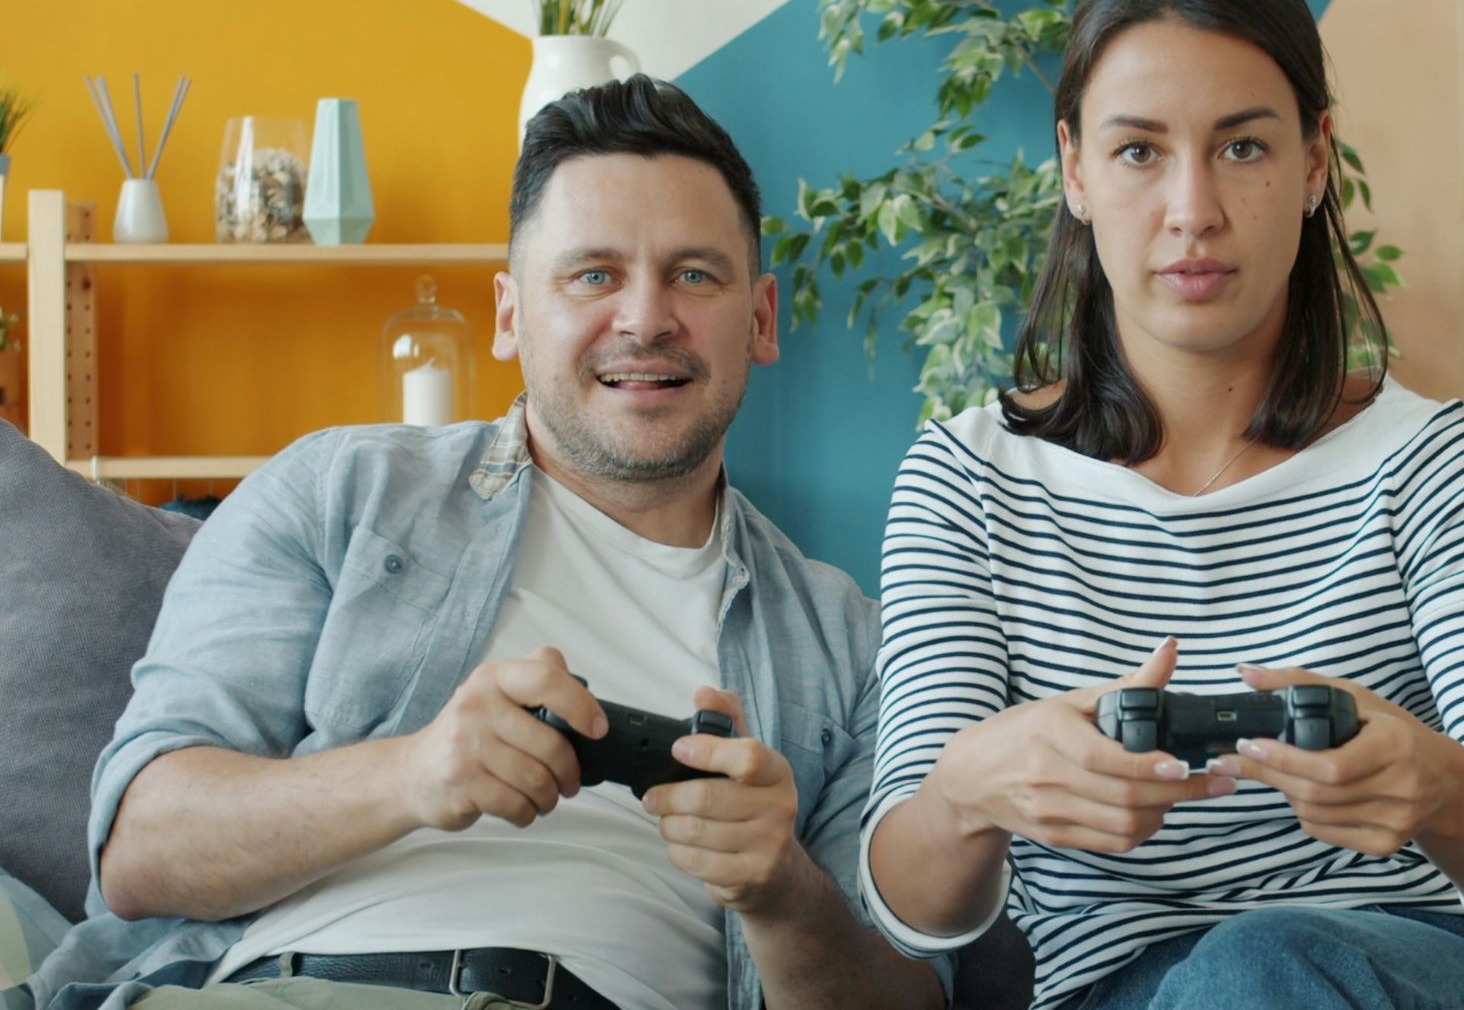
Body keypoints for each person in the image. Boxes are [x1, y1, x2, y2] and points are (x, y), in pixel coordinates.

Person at [28, 76, 948, 1010]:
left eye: (694, 274)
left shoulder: (856, 647)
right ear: (510, 315)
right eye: (593, 275)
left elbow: (907, 998)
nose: (643, 318)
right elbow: (139, 853)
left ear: (760, 318)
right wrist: (413, 772)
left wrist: (782, 892)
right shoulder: (338, 489)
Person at [857, 0, 1464, 1009]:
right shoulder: (966, 481)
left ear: (1315, 163)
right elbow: (908, 906)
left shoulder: (1427, 463)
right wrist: (970, 795)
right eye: (1138, 152)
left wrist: (1446, 793)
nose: (1192, 211)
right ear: (1073, 169)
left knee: (1261, 968)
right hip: (1123, 990)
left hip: (1413, 979)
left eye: (1243, 148)